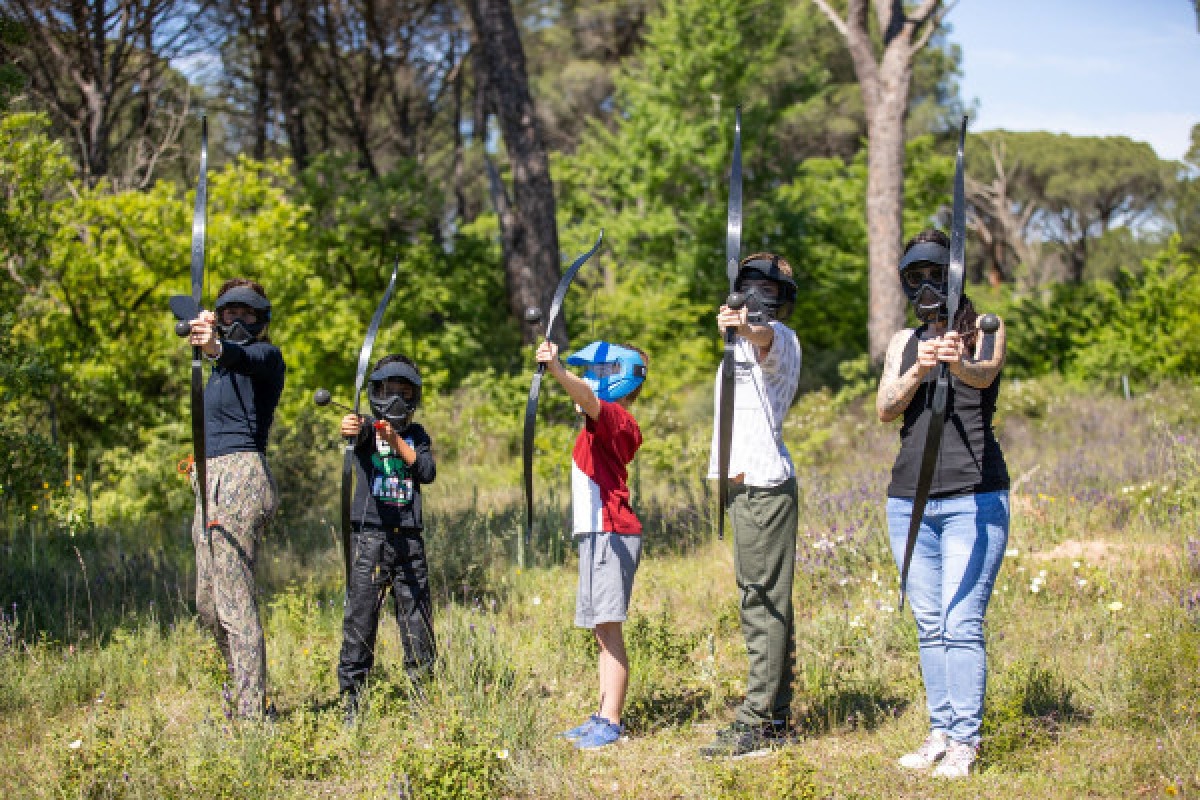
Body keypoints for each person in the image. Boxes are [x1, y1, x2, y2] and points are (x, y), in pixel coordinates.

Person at [876, 229, 1009, 778]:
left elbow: (985, 374)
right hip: (909, 501)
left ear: (954, 275)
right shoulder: (903, 341)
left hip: (973, 497)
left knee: (962, 620)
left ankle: (965, 742)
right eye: (916, 277)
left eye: (937, 274)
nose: (927, 286)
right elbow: (885, 408)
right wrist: (919, 367)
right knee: (930, 622)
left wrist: (956, 362)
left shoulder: (984, 331)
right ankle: (939, 731)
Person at [700, 253, 803, 758]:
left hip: (764, 487)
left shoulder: (779, 338)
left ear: (782, 300)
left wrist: (747, 323)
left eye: (769, 291)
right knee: (762, 598)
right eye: (749, 287)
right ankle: (777, 715)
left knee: (761, 602)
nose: (758, 297)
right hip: (745, 485)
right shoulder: (736, 346)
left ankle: (759, 721)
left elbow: (764, 337)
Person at [537, 338, 647, 751]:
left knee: (609, 631)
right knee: (601, 631)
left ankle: (612, 721)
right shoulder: (596, 425)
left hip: (612, 534)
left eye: (600, 373)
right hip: (598, 535)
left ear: (619, 377)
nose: (591, 380)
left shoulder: (618, 419)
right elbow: (586, 400)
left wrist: (558, 371)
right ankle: (602, 714)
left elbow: (588, 397)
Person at [183, 279, 286, 719]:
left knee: (235, 603)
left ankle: (250, 715)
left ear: (261, 320)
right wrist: (200, 328)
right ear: (219, 316)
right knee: (209, 604)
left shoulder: (265, 356)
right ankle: (237, 693)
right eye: (229, 313)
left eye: (248, 314)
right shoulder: (219, 368)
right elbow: (188, 318)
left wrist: (216, 347)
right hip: (208, 482)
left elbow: (242, 355)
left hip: (240, 479)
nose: (238, 321)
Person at [337, 354, 437, 724]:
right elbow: (357, 431)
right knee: (361, 617)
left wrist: (396, 441)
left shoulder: (418, 435)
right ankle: (352, 701)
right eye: (387, 391)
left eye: (403, 393)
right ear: (374, 392)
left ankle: (422, 698)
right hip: (370, 539)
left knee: (417, 619)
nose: (394, 400)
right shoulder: (367, 429)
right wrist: (354, 427)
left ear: (414, 398)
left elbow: (426, 471)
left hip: (409, 539)